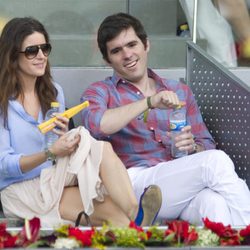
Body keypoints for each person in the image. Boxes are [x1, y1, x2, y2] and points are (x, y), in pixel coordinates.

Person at [81, 12, 250, 226]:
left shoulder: (179, 90)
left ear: (146, 45)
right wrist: (149, 102)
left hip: (180, 182)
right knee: (215, 161)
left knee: (214, 204)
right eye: (116, 50)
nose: (127, 54)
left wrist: (192, 148)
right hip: (135, 188)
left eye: (132, 45)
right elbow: (98, 125)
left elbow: (206, 144)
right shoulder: (100, 91)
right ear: (107, 60)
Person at [0, 17, 162, 228]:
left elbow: (57, 151)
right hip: (19, 190)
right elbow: (4, 166)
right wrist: (50, 153)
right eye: (32, 51)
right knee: (114, 209)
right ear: (13, 56)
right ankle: (137, 214)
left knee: (119, 216)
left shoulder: (54, 91)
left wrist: (65, 139)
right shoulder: (3, 102)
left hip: (54, 179)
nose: (41, 56)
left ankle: (136, 215)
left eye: (45, 48)